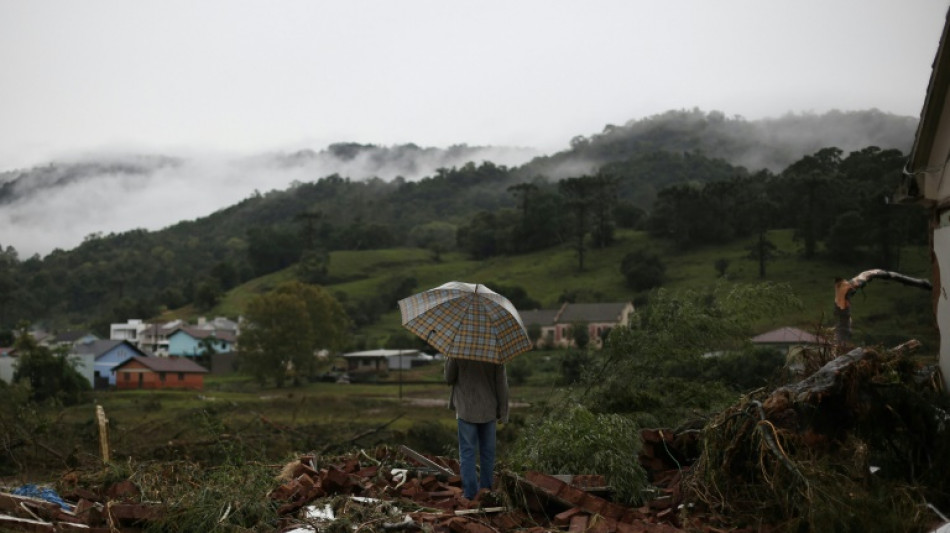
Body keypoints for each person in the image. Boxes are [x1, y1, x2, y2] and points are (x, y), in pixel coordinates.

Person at [444, 357, 509, 500]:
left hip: (465, 408)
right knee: (487, 453)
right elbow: (501, 384)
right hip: (488, 409)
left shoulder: (458, 351)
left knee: (467, 452)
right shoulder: (495, 353)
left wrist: (449, 358)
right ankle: (486, 492)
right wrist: (503, 412)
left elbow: (449, 378)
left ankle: (470, 494)